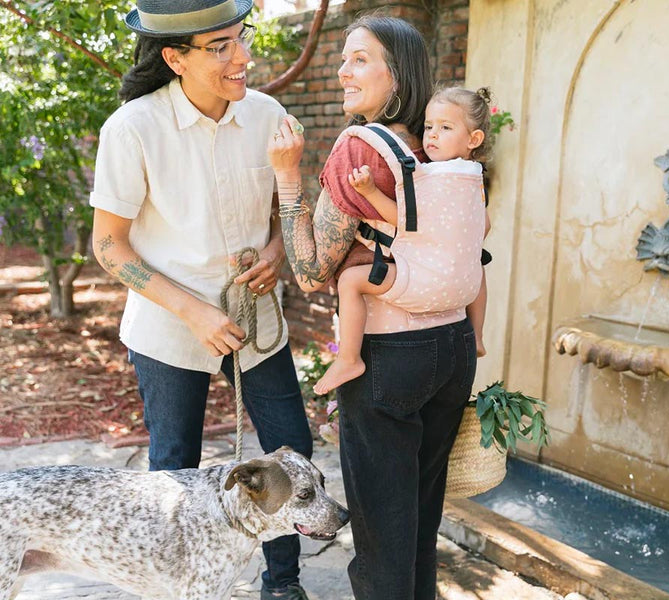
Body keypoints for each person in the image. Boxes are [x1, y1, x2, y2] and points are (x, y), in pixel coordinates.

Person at [89, 2, 313, 599]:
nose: (242, 57)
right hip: (168, 327)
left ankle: (284, 584)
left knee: (292, 453)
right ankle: (175, 587)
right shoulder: (132, 128)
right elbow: (108, 246)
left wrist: (275, 254)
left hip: (256, 322)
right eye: (220, 47)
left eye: (241, 39)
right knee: (174, 470)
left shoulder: (268, 115)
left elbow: (282, 217)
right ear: (174, 58)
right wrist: (194, 311)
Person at [268, 15, 478, 600]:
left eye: (360, 59)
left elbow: (311, 271)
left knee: (382, 537)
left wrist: (288, 179)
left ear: (398, 75)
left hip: (388, 355)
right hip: (453, 346)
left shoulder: (362, 148)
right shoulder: (443, 144)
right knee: (417, 521)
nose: (342, 70)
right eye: (344, 57)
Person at [310, 86, 494, 396]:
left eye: (445, 128)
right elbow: (484, 225)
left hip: (424, 282)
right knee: (477, 260)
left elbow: (406, 220)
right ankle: (476, 336)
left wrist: (369, 192)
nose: (432, 136)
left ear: (473, 140)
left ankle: (349, 358)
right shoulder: (473, 176)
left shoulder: (437, 176)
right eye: (429, 127)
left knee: (352, 281)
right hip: (462, 290)